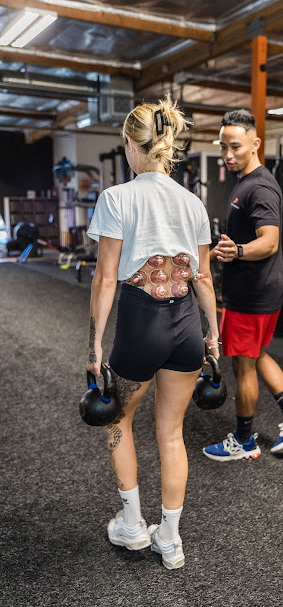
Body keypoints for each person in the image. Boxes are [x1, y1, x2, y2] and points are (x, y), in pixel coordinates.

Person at [86, 96, 219, 570]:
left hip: (141, 325)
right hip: (186, 326)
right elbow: (204, 279)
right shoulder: (193, 202)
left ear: (129, 143)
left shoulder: (116, 198)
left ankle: (132, 526)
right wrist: (213, 337)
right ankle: (171, 539)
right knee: (172, 432)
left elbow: (105, 280)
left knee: (118, 419)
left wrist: (95, 344)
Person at [203, 109, 283, 462]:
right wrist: (212, 256)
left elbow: (269, 241)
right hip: (263, 290)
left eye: (235, 147)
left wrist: (237, 251)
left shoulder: (260, 187)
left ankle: (244, 441)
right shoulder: (248, 181)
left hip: (251, 295)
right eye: (223, 147)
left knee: (243, 365)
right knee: (258, 354)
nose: (228, 154)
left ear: (255, 144)